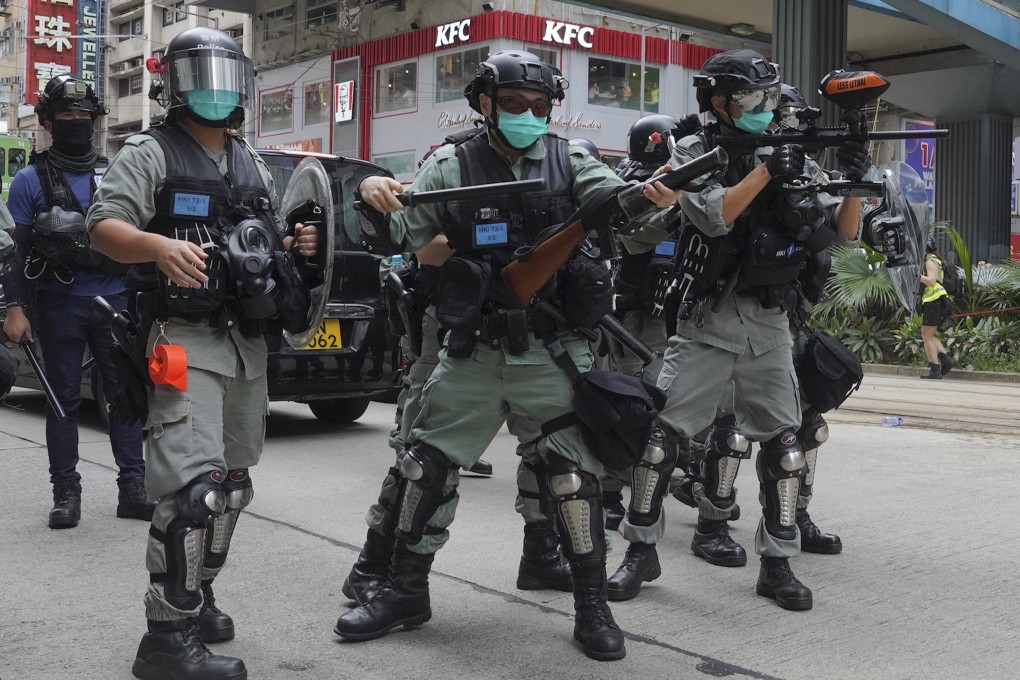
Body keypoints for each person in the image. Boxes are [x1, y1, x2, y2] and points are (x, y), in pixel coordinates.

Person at [335, 50, 680, 661]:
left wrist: (651, 196)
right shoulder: (452, 163)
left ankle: (591, 607)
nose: (528, 115)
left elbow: (618, 205)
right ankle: (404, 593)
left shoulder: (571, 157)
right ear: (486, 104)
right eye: (515, 105)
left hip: (551, 351)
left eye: (540, 106)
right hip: (473, 348)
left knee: (573, 481)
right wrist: (373, 194)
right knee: (423, 467)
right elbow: (397, 234)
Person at [86, 27, 319, 679]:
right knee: (197, 491)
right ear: (175, 84)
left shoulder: (248, 161)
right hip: (181, 341)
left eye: (227, 75)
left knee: (233, 485)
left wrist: (292, 247)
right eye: (201, 76)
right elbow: (103, 228)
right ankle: (166, 639)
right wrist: (158, 247)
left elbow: (262, 240)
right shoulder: (150, 151)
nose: (216, 90)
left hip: (246, 342)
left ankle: (198, 591)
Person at [647, 49, 866, 610]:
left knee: (786, 446)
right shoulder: (694, 150)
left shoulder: (787, 147)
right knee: (659, 440)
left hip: (770, 322)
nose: (767, 108)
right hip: (707, 322)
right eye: (755, 98)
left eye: (771, 98)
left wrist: (856, 174)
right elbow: (716, 215)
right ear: (720, 102)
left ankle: (778, 565)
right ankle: (638, 553)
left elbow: (843, 235)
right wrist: (771, 167)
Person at [1, 74, 154, 530]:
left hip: (117, 299)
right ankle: (65, 492)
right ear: (47, 121)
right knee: (61, 400)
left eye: (84, 115)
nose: (77, 122)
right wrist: (14, 308)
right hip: (57, 300)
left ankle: (133, 488)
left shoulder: (117, 173)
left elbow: (145, 236)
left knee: (125, 395)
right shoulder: (29, 181)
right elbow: (17, 251)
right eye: (67, 115)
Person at [596, 115, 680, 534]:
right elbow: (623, 236)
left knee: (670, 403)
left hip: (676, 313)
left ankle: (682, 478)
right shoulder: (626, 189)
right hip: (632, 315)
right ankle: (611, 490)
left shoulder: (686, 184)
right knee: (628, 401)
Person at [919, 239, 954, 379]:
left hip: (933, 301)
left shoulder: (930, 261)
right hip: (937, 301)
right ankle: (944, 359)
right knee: (929, 335)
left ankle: (935, 368)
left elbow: (932, 281)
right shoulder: (935, 260)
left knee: (926, 336)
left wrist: (917, 276)